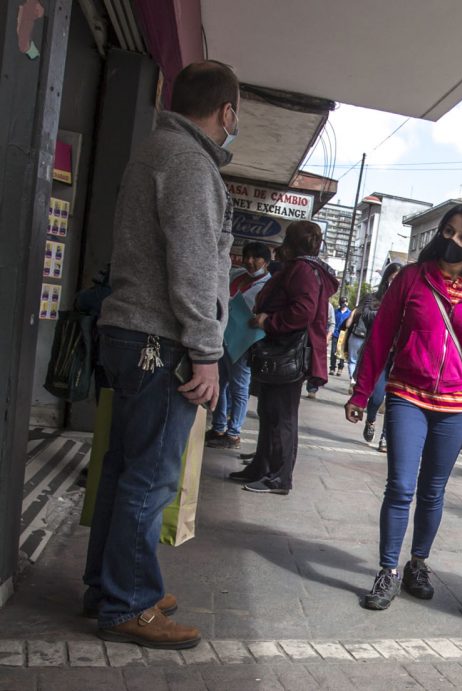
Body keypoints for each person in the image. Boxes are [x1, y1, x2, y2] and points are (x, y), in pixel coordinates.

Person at [82, 61, 240, 649]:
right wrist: (206, 351)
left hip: (132, 334)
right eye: (235, 114)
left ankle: (108, 585)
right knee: (149, 479)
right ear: (227, 112)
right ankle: (129, 601)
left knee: (123, 472)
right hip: (160, 341)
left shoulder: (156, 149)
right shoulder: (190, 164)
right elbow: (195, 268)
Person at [344, 204, 462, 611]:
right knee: (400, 487)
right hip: (407, 396)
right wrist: (362, 393)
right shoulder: (413, 278)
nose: (454, 242)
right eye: (449, 232)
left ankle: (418, 563)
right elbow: (380, 336)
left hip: (456, 406)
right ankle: (388, 571)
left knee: (433, 491)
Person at [228, 221, 339, 495]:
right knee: (270, 412)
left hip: (287, 352)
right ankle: (261, 467)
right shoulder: (307, 268)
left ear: (291, 242)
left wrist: (269, 320)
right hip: (283, 351)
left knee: (281, 416)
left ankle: (278, 477)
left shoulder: (302, 269)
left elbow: (303, 311)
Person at [207, 242, 272, 449]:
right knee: (220, 382)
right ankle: (218, 427)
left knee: (239, 388)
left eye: (256, 258)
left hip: (244, 343)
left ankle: (234, 432)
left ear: (266, 261)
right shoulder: (237, 276)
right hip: (224, 337)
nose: (250, 262)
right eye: (247, 257)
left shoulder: (269, 286)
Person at [353, 261, 403, 451]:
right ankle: (371, 420)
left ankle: (385, 438)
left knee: (394, 400)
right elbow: (365, 316)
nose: (395, 283)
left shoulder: (407, 301)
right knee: (376, 398)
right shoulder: (373, 299)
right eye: (392, 279)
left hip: (398, 358)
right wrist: (390, 307)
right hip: (378, 356)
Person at [306, 298, 335, 399]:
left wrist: (327, 338)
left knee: (315, 363)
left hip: (319, 338)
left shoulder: (329, 306)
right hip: (304, 336)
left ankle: (312, 389)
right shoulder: (307, 300)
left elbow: (332, 324)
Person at [330, 297, 350, 376]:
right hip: (335, 333)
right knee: (333, 351)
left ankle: (340, 369)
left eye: (344, 303)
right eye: (342, 303)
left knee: (341, 352)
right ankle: (332, 368)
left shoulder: (349, 313)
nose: (343, 304)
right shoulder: (336, 312)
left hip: (343, 334)